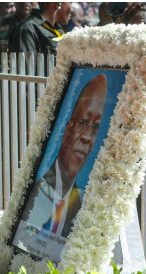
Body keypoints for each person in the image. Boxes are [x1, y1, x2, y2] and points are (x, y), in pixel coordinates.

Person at [20, 75, 108, 239]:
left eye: (95, 127)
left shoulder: (81, 209)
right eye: (84, 122)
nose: (87, 137)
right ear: (68, 128)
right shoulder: (36, 189)